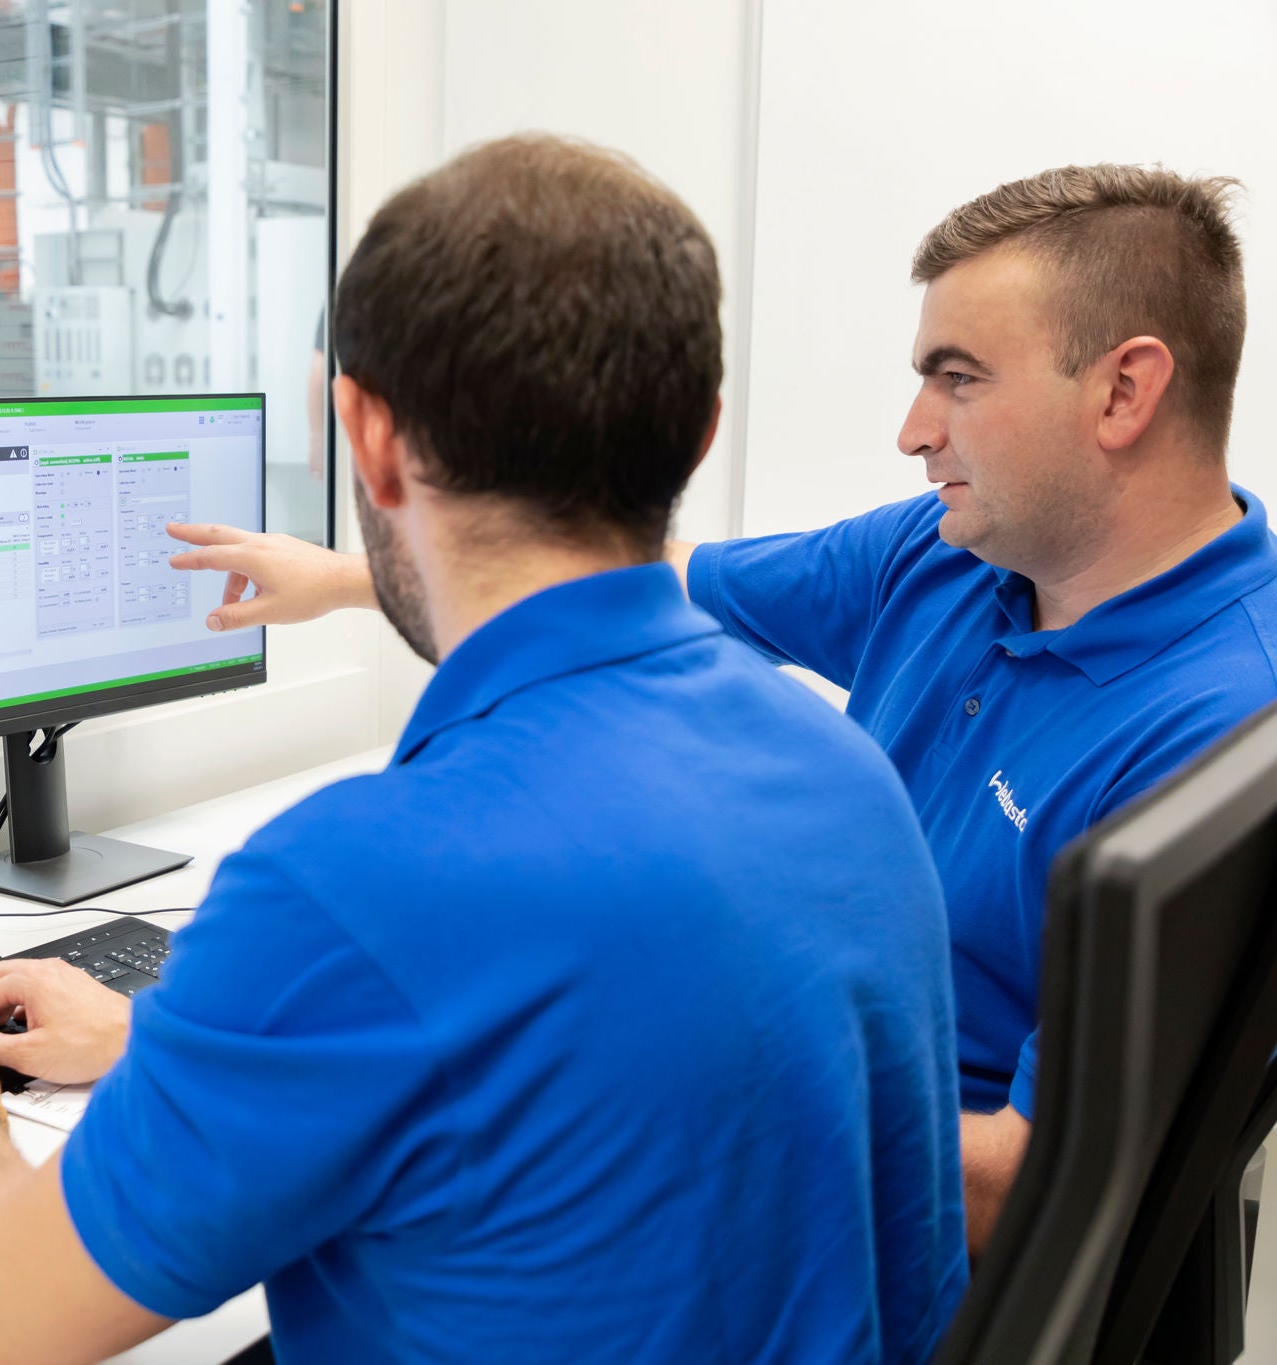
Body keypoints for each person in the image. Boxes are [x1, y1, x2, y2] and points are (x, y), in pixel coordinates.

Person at [0, 135, 966, 1365]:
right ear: (696, 434)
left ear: (364, 435)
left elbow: (8, 1316)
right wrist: (162, 1042)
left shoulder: (354, 885)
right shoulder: (845, 770)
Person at [169, 162, 1277, 1253]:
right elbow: (644, 569)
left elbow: (1038, 1189)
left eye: (958, 378)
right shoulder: (950, 554)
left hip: (874, 1248)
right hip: (810, 1124)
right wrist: (361, 572)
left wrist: (653, 1072)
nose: (911, 430)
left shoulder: (1213, 725)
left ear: (1122, 391)